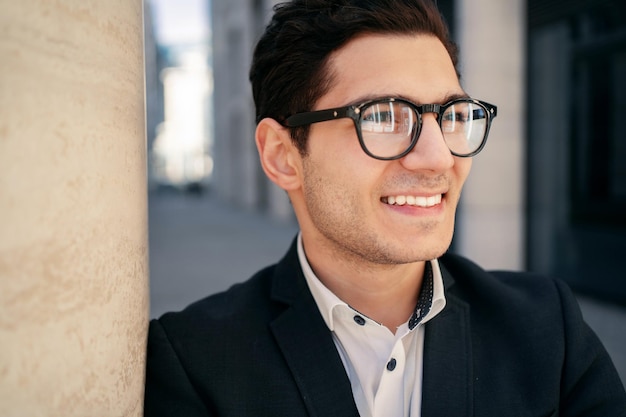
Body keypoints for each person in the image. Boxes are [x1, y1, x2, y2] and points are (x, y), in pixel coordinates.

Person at [144, 0, 626, 416]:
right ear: (282, 155)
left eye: (453, 116)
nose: (440, 157)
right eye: (384, 117)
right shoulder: (196, 361)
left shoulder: (548, 330)